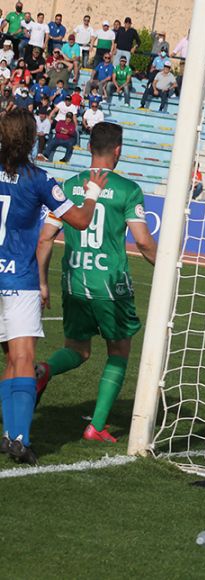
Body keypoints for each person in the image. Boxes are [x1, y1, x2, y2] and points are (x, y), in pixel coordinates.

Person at [35, 122, 157, 442]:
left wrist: (43, 281)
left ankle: (43, 371)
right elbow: (143, 242)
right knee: (118, 350)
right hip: (110, 283)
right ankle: (97, 426)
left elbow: (46, 238)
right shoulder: (129, 190)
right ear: (118, 150)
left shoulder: (69, 184)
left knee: (77, 349)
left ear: (88, 148)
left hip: (74, 280)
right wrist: (169, 266)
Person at [0, 108, 101, 464]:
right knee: (23, 357)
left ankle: (10, 435)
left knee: (11, 360)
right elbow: (81, 220)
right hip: (18, 280)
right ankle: (20, 439)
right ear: (32, 139)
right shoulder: (39, 179)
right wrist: (92, 191)